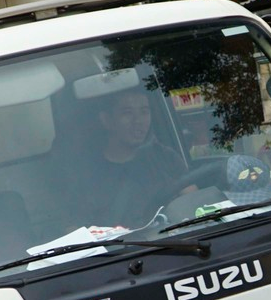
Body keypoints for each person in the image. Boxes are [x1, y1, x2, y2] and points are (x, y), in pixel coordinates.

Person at [77, 91, 189, 229]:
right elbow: (77, 231)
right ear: (107, 120)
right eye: (127, 113)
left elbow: (193, 202)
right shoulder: (86, 175)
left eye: (144, 112)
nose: (138, 121)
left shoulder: (165, 157)